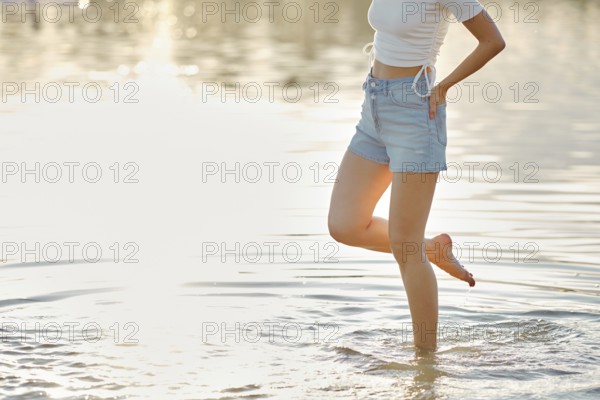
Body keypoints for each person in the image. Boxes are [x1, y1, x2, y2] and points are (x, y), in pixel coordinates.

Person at [328, 0, 505, 351]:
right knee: (344, 225)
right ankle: (432, 251)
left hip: (415, 111)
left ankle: (425, 366)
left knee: (405, 247)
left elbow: (492, 41)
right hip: (374, 107)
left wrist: (444, 87)